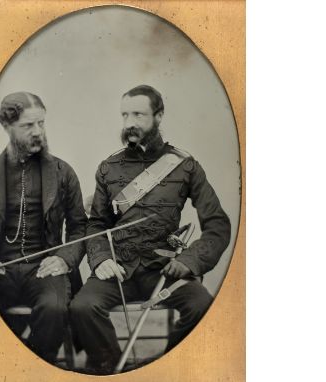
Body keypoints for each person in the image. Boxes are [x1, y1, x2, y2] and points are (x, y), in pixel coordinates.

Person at [70, 85, 231, 374]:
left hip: (165, 269)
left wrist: (189, 260)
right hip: (119, 269)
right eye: (125, 115)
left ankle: (162, 368)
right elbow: (96, 224)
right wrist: (102, 259)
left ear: (159, 116)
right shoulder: (108, 167)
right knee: (82, 307)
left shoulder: (185, 166)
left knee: (202, 306)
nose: (129, 123)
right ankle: (112, 369)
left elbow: (217, 224)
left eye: (138, 115)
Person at [0, 91, 87, 364]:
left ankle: (30, 367)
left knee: (54, 307)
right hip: (0, 270)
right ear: (6, 126)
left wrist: (64, 259)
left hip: (45, 268)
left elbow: (81, 227)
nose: (38, 132)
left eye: (41, 123)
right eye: (27, 126)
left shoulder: (63, 172)